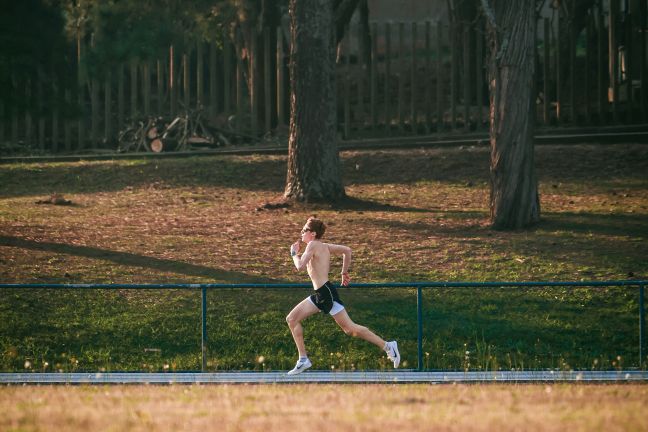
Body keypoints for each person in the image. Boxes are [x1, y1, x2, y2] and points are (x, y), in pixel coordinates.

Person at [285, 217, 400, 375]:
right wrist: (344, 272)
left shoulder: (312, 245)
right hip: (322, 293)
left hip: (326, 293)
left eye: (304, 230)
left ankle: (388, 346)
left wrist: (293, 253)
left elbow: (299, 266)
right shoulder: (323, 246)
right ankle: (303, 359)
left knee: (350, 329)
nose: (301, 232)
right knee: (292, 319)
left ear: (312, 233)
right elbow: (347, 250)